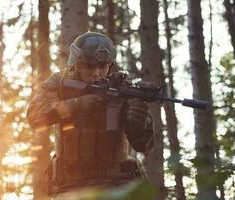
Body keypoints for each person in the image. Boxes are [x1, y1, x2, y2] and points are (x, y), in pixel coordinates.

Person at [26, 32, 154, 196]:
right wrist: (77, 105)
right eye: (90, 66)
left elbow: (144, 145)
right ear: (77, 65)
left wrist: (138, 121)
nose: (97, 72)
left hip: (116, 184)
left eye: (102, 66)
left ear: (110, 65)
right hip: (70, 186)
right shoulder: (60, 84)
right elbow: (34, 115)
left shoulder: (124, 89)